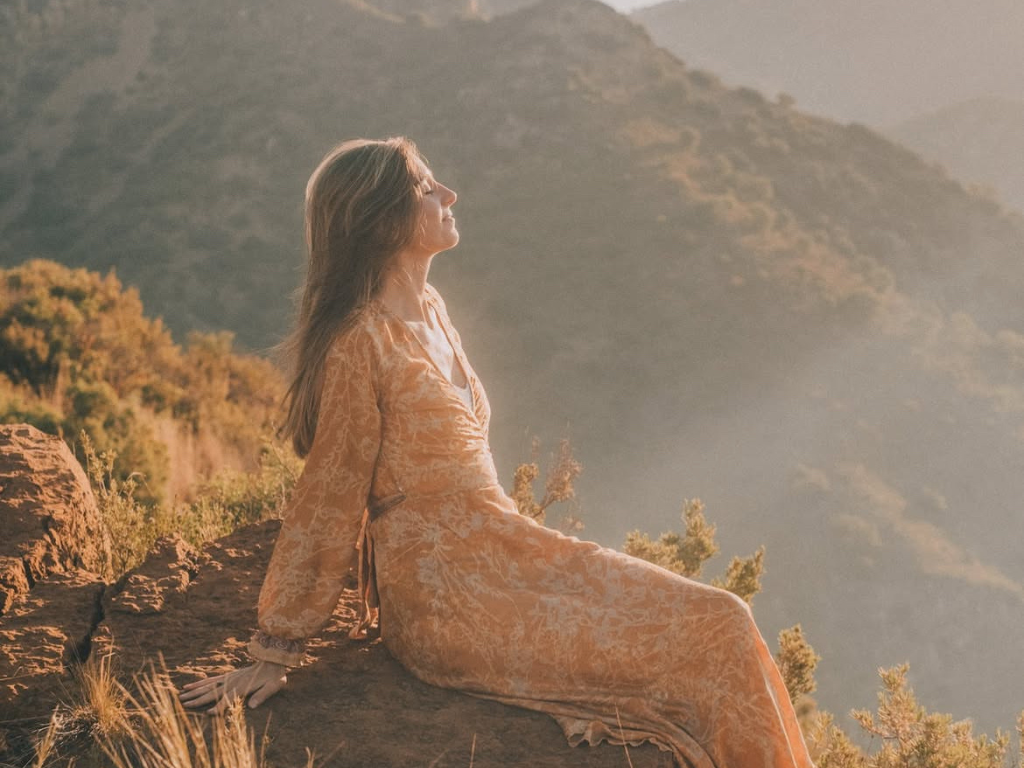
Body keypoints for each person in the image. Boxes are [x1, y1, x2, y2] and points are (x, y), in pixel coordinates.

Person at [179, 137, 816, 768]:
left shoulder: (432, 309)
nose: (448, 194)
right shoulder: (360, 341)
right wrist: (276, 647)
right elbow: (331, 488)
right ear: (382, 220)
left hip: (507, 557)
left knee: (723, 620)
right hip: (448, 597)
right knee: (716, 627)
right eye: (426, 187)